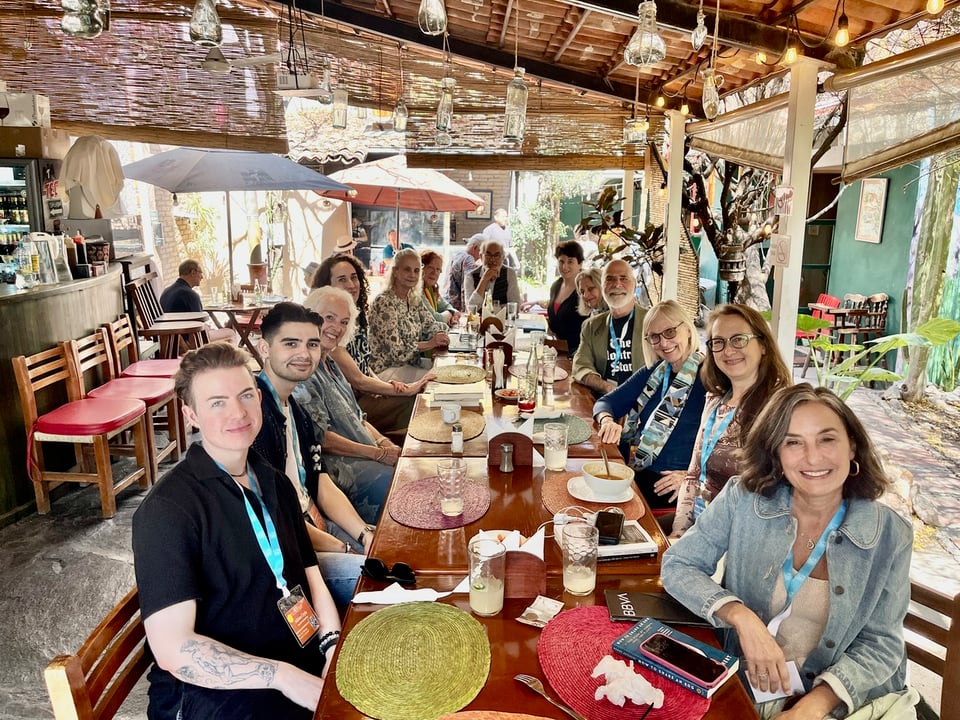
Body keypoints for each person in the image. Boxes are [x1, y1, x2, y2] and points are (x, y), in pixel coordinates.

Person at [662, 384, 916, 720]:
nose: (812, 457)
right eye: (793, 442)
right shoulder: (743, 498)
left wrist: (816, 704)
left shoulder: (889, 534)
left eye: (827, 439)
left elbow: (882, 645)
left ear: (852, 446)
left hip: (847, 699)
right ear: (776, 454)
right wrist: (741, 616)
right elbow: (678, 565)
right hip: (752, 685)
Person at [132, 342, 338, 719]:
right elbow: (175, 650)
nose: (238, 412)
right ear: (190, 414)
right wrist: (285, 677)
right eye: (217, 403)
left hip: (294, 655)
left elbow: (309, 574)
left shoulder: (273, 480)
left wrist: (330, 645)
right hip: (211, 694)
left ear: (259, 398)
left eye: (245, 395)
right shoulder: (167, 511)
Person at [252, 302, 374, 608]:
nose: (304, 354)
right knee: (378, 582)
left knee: (393, 554)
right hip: (291, 551)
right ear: (263, 348)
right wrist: (345, 549)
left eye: (312, 344)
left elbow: (319, 481)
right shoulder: (254, 417)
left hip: (316, 525)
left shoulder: (296, 410)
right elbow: (275, 518)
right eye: (290, 343)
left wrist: (363, 534)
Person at [671, 303, 793, 538]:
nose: (728, 351)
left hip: (747, 538)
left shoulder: (781, 409)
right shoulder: (714, 401)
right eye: (718, 342)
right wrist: (678, 534)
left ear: (764, 345)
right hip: (702, 525)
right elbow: (693, 476)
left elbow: (780, 500)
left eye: (739, 340)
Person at [295, 286, 403, 523]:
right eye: (329, 318)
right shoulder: (303, 371)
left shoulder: (331, 364)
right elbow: (320, 438)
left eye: (344, 322)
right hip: (338, 472)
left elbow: (359, 418)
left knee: (411, 476)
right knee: (403, 493)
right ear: (309, 316)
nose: (337, 327)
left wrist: (386, 443)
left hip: (367, 456)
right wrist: (378, 453)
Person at [594, 300, 707, 512]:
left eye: (670, 332)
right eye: (655, 337)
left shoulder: (709, 377)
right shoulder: (655, 371)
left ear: (688, 331)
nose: (664, 343)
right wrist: (607, 421)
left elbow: (726, 447)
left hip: (675, 490)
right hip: (640, 473)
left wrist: (691, 477)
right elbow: (605, 402)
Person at [310, 254, 430, 442]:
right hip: (351, 405)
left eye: (354, 277)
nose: (351, 284)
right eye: (342, 279)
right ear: (327, 286)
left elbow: (364, 365)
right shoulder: (328, 330)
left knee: (422, 397)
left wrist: (391, 386)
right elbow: (358, 381)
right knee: (419, 401)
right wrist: (405, 389)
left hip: (367, 393)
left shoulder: (356, 317)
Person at [368, 248, 449, 383]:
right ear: (395, 272)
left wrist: (443, 333)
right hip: (385, 370)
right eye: (407, 269)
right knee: (439, 379)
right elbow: (397, 353)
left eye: (416, 270)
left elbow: (430, 325)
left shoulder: (413, 298)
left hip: (411, 363)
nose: (412, 275)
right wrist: (430, 343)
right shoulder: (384, 302)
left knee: (447, 370)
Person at [572, 259, 647, 395]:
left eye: (623, 278)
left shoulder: (652, 321)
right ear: (602, 286)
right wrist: (607, 388)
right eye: (610, 279)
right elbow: (580, 366)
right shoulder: (591, 326)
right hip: (605, 401)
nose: (617, 284)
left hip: (643, 403)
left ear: (634, 285)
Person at [158, 259, 236, 342]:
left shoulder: (166, 291)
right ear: (193, 273)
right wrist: (208, 328)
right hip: (189, 340)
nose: (202, 277)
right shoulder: (190, 295)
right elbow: (199, 326)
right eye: (201, 273)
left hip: (169, 341)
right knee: (230, 333)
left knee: (215, 331)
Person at [530, 240, 585, 356]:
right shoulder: (556, 286)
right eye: (561, 261)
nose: (565, 267)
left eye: (570, 262)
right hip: (554, 351)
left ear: (580, 264)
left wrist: (548, 343)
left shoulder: (584, 290)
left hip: (576, 354)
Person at [464, 238, 522, 307]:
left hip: (503, 318)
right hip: (480, 318)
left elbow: (515, 305)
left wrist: (490, 309)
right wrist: (484, 280)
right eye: (488, 255)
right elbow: (471, 308)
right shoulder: (470, 276)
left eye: (497, 255)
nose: (492, 260)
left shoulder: (509, 273)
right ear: (481, 256)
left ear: (503, 258)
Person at [444, 233, 483, 311]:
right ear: (475, 248)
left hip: (448, 303)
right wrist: (467, 312)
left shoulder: (457, 255)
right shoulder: (469, 260)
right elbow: (466, 288)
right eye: (481, 252)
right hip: (458, 308)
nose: (482, 256)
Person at [421, 248, 459, 327]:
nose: (434, 273)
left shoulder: (431, 289)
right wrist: (450, 313)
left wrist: (452, 311)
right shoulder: (418, 292)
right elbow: (436, 319)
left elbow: (446, 306)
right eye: (431, 267)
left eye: (438, 269)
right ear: (421, 268)